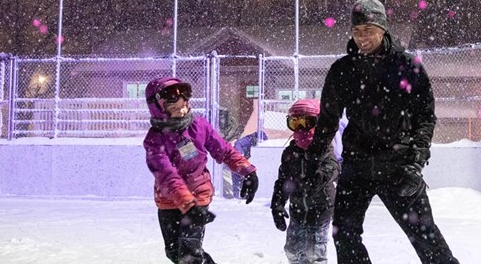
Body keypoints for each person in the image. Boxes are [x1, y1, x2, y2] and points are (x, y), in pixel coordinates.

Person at [305, 0, 460, 264]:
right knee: (344, 234)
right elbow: (328, 120)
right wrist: (313, 158)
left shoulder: (407, 67)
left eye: (368, 31)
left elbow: (425, 118)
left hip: (397, 165)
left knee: (425, 235)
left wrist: (416, 163)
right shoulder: (342, 71)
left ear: (383, 29)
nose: (362, 38)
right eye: (356, 32)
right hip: (356, 166)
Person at [143, 76, 259, 264]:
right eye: (173, 108)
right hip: (169, 201)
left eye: (183, 105)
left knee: (189, 254)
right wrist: (186, 203)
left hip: (198, 195)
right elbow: (166, 175)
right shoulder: (154, 140)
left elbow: (225, 150)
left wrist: (248, 171)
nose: (181, 111)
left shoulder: (199, 126)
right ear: (158, 108)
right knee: (174, 252)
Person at [271, 99, 339, 264]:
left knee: (314, 252)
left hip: (321, 208)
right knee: (293, 250)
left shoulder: (323, 149)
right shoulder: (290, 153)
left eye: (306, 122)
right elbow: (282, 181)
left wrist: (317, 179)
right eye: (295, 123)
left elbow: (333, 167)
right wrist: (277, 204)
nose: (301, 129)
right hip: (298, 209)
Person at [232, 131, 268, 197]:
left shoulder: (253, 143)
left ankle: (242, 194)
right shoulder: (247, 140)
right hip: (236, 160)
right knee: (237, 177)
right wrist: (241, 154)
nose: (258, 143)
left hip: (241, 162)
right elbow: (237, 143)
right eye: (259, 141)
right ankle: (236, 196)